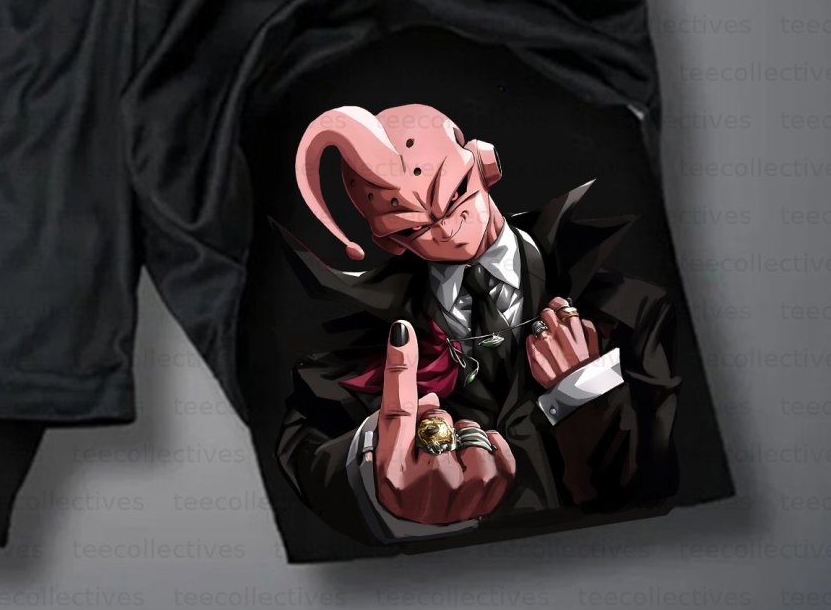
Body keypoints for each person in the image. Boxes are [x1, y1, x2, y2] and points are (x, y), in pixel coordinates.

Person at [274, 103, 681, 545]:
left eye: (454, 196)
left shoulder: (632, 304)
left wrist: (585, 391)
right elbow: (307, 449)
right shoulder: (366, 342)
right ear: (388, 241)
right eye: (413, 228)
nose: (446, 231)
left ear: (484, 162)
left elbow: (664, 478)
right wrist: (378, 468)